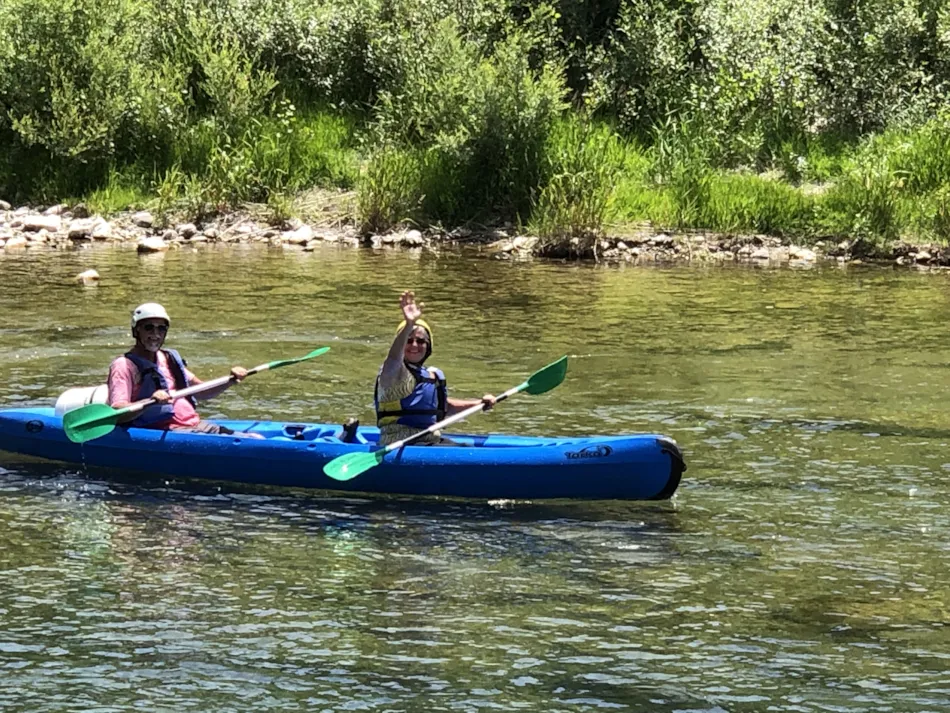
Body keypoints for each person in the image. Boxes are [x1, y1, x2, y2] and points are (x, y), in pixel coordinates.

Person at [106, 303, 260, 436]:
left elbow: (201, 391)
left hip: (194, 426)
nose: (155, 334)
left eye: (161, 329)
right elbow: (118, 413)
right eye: (149, 328)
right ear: (136, 331)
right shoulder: (124, 365)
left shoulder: (167, 359)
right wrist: (150, 401)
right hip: (165, 432)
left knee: (255, 437)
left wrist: (231, 380)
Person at [374, 291, 495, 446]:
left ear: (428, 346)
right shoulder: (393, 374)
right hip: (398, 443)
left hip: (429, 441)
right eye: (409, 341)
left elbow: (444, 407)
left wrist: (479, 403)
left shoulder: (430, 374)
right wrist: (409, 324)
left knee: (466, 448)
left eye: (420, 341)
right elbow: (393, 359)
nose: (415, 345)